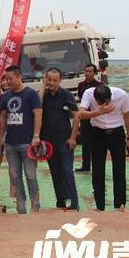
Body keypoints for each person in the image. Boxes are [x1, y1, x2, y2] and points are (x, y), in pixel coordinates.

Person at [78, 84, 129, 211]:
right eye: (99, 102)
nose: (102, 104)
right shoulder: (88, 93)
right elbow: (80, 114)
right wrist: (99, 112)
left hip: (117, 133)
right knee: (97, 170)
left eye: (105, 102)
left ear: (110, 97)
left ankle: (120, 204)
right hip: (97, 133)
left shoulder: (121, 95)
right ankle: (100, 206)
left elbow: (127, 117)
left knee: (119, 169)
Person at [0, 65, 42, 214]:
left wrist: (36, 135)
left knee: (30, 175)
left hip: (28, 143)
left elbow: (38, 114)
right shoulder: (5, 96)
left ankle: (35, 206)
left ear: (19, 77)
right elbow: (3, 116)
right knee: (15, 175)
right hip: (11, 143)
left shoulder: (31, 94)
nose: (8, 82)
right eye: (6, 79)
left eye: (11, 79)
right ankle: (21, 206)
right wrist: (1, 136)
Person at [42, 68, 80, 211]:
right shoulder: (42, 96)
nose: (51, 83)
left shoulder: (66, 95)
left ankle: (74, 203)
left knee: (67, 171)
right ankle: (61, 203)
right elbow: (37, 108)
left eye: (54, 80)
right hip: (48, 142)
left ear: (60, 80)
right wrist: (42, 86)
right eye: (49, 79)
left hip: (64, 140)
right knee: (55, 172)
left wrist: (73, 138)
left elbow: (76, 116)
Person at [75, 64, 100, 172]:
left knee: (96, 142)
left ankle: (97, 164)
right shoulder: (81, 85)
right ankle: (85, 165)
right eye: (86, 71)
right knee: (85, 142)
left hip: (96, 116)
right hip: (85, 116)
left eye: (90, 71)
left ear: (94, 73)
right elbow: (81, 99)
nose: (88, 73)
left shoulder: (100, 85)